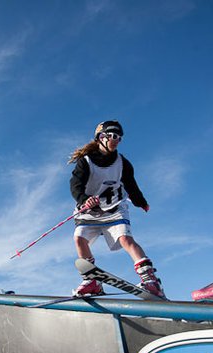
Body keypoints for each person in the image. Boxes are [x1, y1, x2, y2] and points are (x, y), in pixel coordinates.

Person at [69, 119, 165, 298]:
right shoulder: (86, 161)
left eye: (119, 137)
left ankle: (150, 280)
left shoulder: (123, 163)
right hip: (89, 210)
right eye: (111, 136)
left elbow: (131, 185)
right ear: (100, 138)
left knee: (125, 239)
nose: (115, 140)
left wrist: (140, 201)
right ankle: (91, 281)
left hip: (115, 207)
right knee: (79, 239)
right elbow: (75, 185)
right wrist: (84, 200)